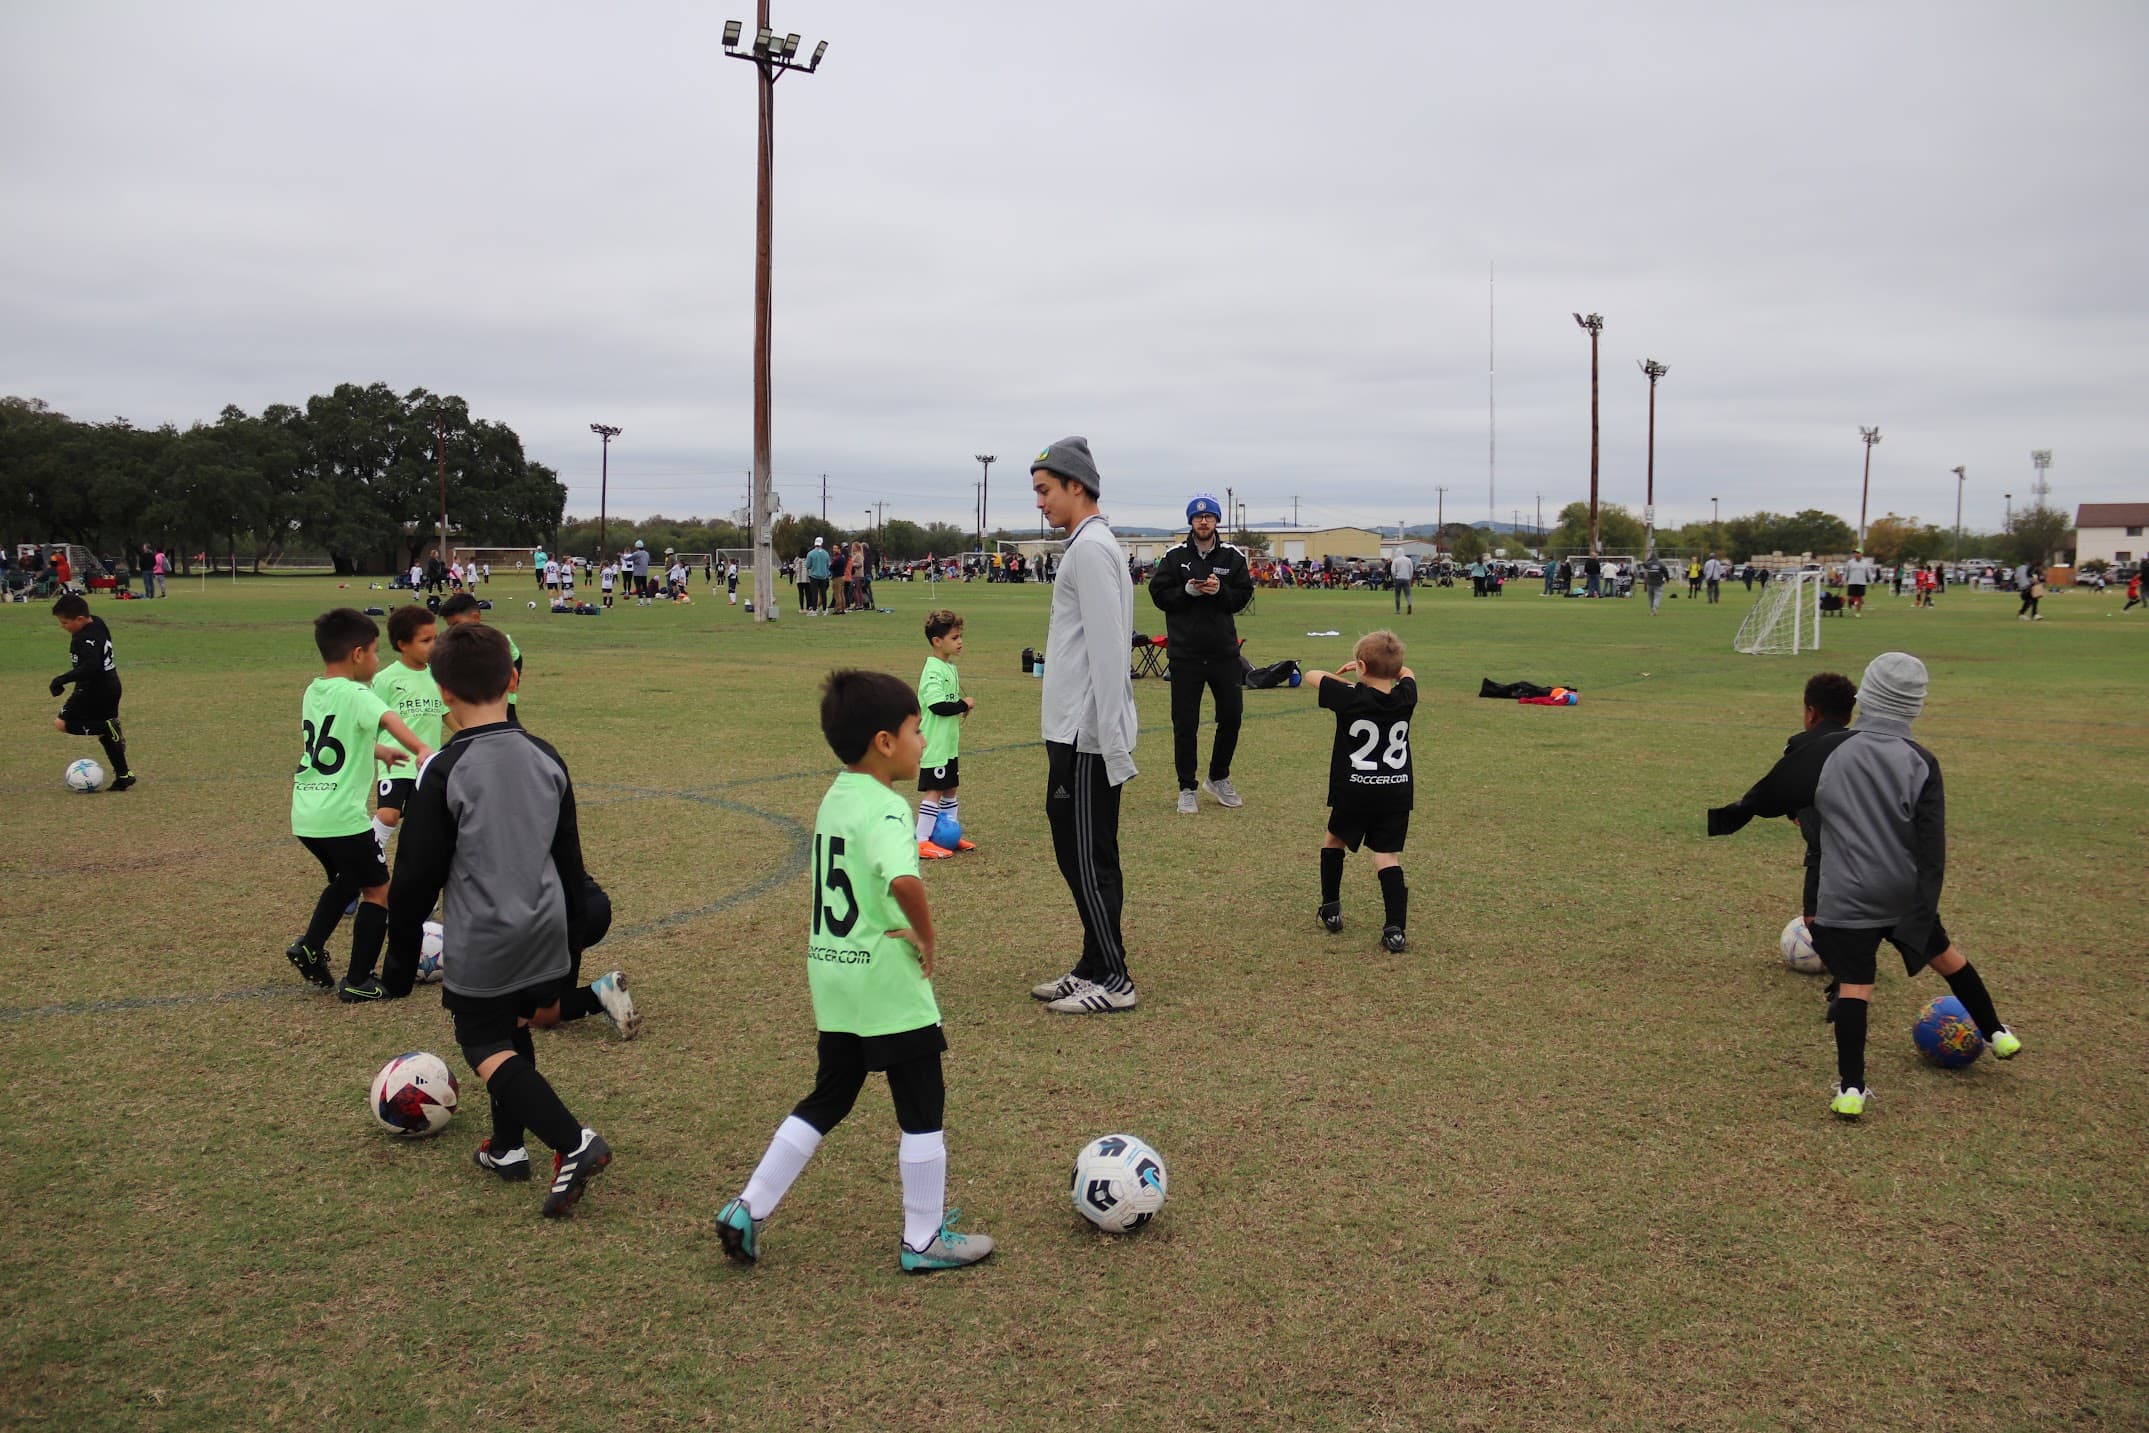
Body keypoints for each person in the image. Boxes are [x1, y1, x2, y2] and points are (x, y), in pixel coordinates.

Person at [714, 669, 993, 1272]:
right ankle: (923, 1240)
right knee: (923, 1103)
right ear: (884, 742)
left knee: (831, 1095)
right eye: (917, 730)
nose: (924, 741)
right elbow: (903, 878)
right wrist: (926, 933)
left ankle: (749, 1206)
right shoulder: (888, 810)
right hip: (884, 977)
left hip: (834, 972)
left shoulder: (836, 795)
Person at [1707, 653, 2022, 1119]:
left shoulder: (1826, 750)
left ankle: (1851, 1090)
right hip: (1903, 893)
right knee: (1949, 959)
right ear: (1916, 705)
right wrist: (1922, 904)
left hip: (1846, 894)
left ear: (1866, 697)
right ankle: (1997, 1033)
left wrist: (1727, 817)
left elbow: (1769, 793)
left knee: (1856, 987)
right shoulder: (1921, 760)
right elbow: (1931, 843)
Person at [379, 622, 614, 1215]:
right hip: (549, 930)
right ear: (511, 681)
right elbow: (570, 866)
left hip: (487, 936)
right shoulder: (546, 756)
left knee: (481, 1039)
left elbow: (412, 885)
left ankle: (572, 1142)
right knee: (510, 1027)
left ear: (441, 692)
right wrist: (569, 956)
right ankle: (508, 1147)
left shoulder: (444, 770)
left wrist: (401, 964)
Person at [1027, 437, 1141, 1014]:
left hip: (1084, 735)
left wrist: (1105, 738)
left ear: (1077, 485)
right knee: (1076, 851)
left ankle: (1115, 980)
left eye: (1046, 491)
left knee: (1088, 855)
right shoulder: (1085, 547)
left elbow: (1107, 651)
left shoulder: (1092, 549)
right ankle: (1094, 962)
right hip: (1070, 730)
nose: (1041, 503)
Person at [286, 609, 433, 1000]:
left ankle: (309, 947)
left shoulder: (314, 689)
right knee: (379, 891)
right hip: (342, 819)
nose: (377, 660)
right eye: (374, 652)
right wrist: (419, 747)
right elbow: (388, 717)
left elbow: (337, 737)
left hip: (307, 814)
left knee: (347, 879)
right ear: (356, 654)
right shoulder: (358, 693)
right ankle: (359, 981)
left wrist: (379, 751)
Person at [1302, 631, 1416, 954]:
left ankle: (1331, 907)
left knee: (1334, 840)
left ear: (1361, 665)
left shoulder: (1349, 696)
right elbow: (1408, 675)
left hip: (1354, 791)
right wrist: (1392, 671)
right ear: (1395, 672)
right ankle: (1395, 929)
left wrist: (1354, 674)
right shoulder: (1406, 696)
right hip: (1394, 792)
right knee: (1386, 856)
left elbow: (1313, 676)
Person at [1149, 493, 1254, 815]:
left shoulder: (1232, 557)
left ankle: (1218, 776)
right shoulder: (1174, 556)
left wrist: (1220, 592)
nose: (1204, 522)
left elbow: (1241, 597)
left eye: (1209, 517)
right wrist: (1187, 591)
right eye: (1198, 518)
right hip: (1185, 654)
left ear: (1217, 521)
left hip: (1224, 653)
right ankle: (1186, 787)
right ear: (1191, 522)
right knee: (1185, 724)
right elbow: (1159, 595)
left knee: (1231, 718)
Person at [368, 605, 449, 861]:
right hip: (397, 762)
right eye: (425, 641)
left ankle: (420, 890)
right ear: (402, 644)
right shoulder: (386, 679)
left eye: (435, 639)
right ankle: (366, 856)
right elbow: (371, 720)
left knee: (420, 827)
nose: (433, 645)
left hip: (427, 765)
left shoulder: (437, 676)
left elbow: (447, 714)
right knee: (389, 814)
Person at [50, 594, 136, 790]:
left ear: (80, 619)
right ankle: (123, 775)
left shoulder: (83, 637)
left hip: (92, 689)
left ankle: (107, 727)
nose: (63, 627)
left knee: (62, 724)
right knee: (106, 734)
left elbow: (92, 666)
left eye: (65, 622)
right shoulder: (97, 622)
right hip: (111, 684)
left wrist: (61, 679)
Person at [915, 610, 976, 858]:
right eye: (954, 637)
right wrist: (964, 704)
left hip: (949, 744)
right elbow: (938, 706)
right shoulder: (933, 671)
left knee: (950, 788)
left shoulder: (948, 667)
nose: (960, 641)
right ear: (937, 641)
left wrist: (960, 705)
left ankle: (949, 836)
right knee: (935, 790)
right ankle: (921, 840)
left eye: (960, 636)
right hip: (935, 744)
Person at [439, 593, 522, 722]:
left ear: (475, 618)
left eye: (456, 625)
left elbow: (517, 660)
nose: (452, 631)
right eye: (450, 627)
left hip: (500, 708)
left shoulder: (497, 641)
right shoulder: (455, 643)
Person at [806, 537, 832, 615]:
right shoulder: (826, 553)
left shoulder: (811, 553)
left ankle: (814, 609)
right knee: (823, 593)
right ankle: (824, 609)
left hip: (814, 576)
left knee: (814, 593)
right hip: (824, 576)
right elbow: (828, 564)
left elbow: (808, 565)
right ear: (822, 544)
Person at [1842, 550, 1873, 616]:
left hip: (1861, 583)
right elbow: (1846, 572)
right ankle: (1851, 602)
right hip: (1852, 582)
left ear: (1861, 554)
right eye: (1855, 553)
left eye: (1858, 553)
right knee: (1850, 598)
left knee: (1860, 598)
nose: (1856, 554)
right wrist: (1843, 580)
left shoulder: (1866, 562)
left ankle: (1858, 612)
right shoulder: (1850, 562)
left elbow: (1869, 573)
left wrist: (1872, 582)